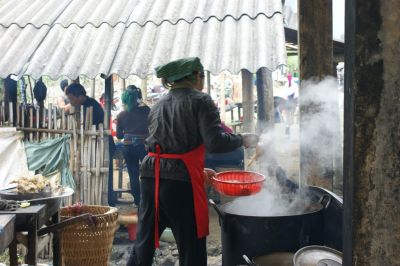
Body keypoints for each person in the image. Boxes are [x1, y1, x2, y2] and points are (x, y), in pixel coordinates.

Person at [127, 57, 259, 266]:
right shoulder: (200, 100)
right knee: (191, 245)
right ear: (198, 76)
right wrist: (243, 139)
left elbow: (166, 146)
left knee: (145, 240)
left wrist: (196, 168)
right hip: (179, 183)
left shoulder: (158, 104)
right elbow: (214, 142)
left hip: (151, 176)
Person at [116, 85, 150, 206]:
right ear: (138, 98)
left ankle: (136, 201)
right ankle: (148, 200)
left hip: (128, 148)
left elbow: (119, 136)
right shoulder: (146, 111)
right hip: (144, 147)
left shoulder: (121, 115)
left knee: (133, 174)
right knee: (147, 174)